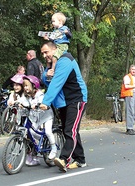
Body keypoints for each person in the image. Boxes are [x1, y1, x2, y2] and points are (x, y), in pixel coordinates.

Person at [39, 41, 87, 173]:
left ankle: (64, 159)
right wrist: (46, 73)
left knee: (69, 130)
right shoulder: (53, 65)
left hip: (77, 99)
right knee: (71, 130)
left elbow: (57, 83)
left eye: (46, 52)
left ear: (55, 49)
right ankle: (80, 160)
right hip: (65, 101)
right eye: (42, 53)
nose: (44, 55)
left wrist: (46, 101)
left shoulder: (65, 60)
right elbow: (46, 80)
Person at [14, 75, 56, 166]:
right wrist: (15, 102)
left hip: (46, 117)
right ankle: (40, 145)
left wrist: (37, 104)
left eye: (27, 85)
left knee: (48, 132)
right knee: (30, 131)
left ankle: (53, 148)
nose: (25, 88)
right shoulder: (27, 95)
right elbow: (22, 99)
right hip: (36, 118)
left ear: (34, 86)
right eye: (24, 86)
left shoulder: (39, 94)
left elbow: (41, 102)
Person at [43, 12, 72, 80]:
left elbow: (70, 36)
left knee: (54, 57)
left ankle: (52, 71)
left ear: (60, 21)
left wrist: (67, 32)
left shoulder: (65, 28)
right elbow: (52, 39)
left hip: (62, 45)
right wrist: (48, 38)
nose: (52, 23)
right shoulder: (55, 31)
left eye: (54, 21)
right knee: (49, 57)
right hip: (55, 45)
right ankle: (48, 71)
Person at [120, 65, 135, 135]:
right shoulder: (127, 77)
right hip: (129, 95)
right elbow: (126, 86)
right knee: (130, 111)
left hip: (134, 94)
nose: (134, 71)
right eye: (132, 69)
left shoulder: (134, 78)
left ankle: (131, 127)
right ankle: (129, 128)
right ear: (130, 70)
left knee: (134, 112)